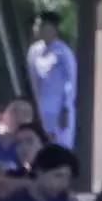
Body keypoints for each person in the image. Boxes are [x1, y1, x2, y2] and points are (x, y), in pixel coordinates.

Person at [27, 12, 78, 148]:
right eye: (36, 25)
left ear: (54, 28)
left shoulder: (63, 52)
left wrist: (66, 107)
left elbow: (71, 82)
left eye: (42, 25)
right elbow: (33, 80)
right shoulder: (34, 51)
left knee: (61, 146)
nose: (37, 28)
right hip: (41, 108)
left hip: (59, 108)